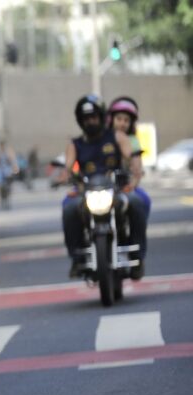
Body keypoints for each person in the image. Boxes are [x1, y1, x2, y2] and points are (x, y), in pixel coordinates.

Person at [61, 94, 147, 279]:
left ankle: (137, 256)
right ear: (80, 121)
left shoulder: (117, 136)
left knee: (137, 202)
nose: (90, 121)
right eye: (86, 118)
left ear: (101, 117)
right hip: (86, 192)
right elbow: (67, 168)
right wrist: (65, 177)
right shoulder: (74, 144)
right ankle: (76, 258)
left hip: (116, 190)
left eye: (93, 117)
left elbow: (131, 157)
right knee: (68, 208)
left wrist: (134, 175)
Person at [108, 96, 151, 219]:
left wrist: (132, 184)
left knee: (143, 200)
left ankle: (138, 237)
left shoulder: (134, 141)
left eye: (126, 120)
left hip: (124, 185)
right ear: (111, 119)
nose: (122, 123)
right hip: (103, 187)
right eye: (119, 119)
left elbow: (137, 168)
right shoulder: (104, 138)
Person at [0, 138, 19, 209]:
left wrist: (15, 168)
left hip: (7, 170)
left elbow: (13, 160)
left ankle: (8, 198)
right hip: (0, 171)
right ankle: (1, 198)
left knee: (9, 185)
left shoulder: (9, 152)